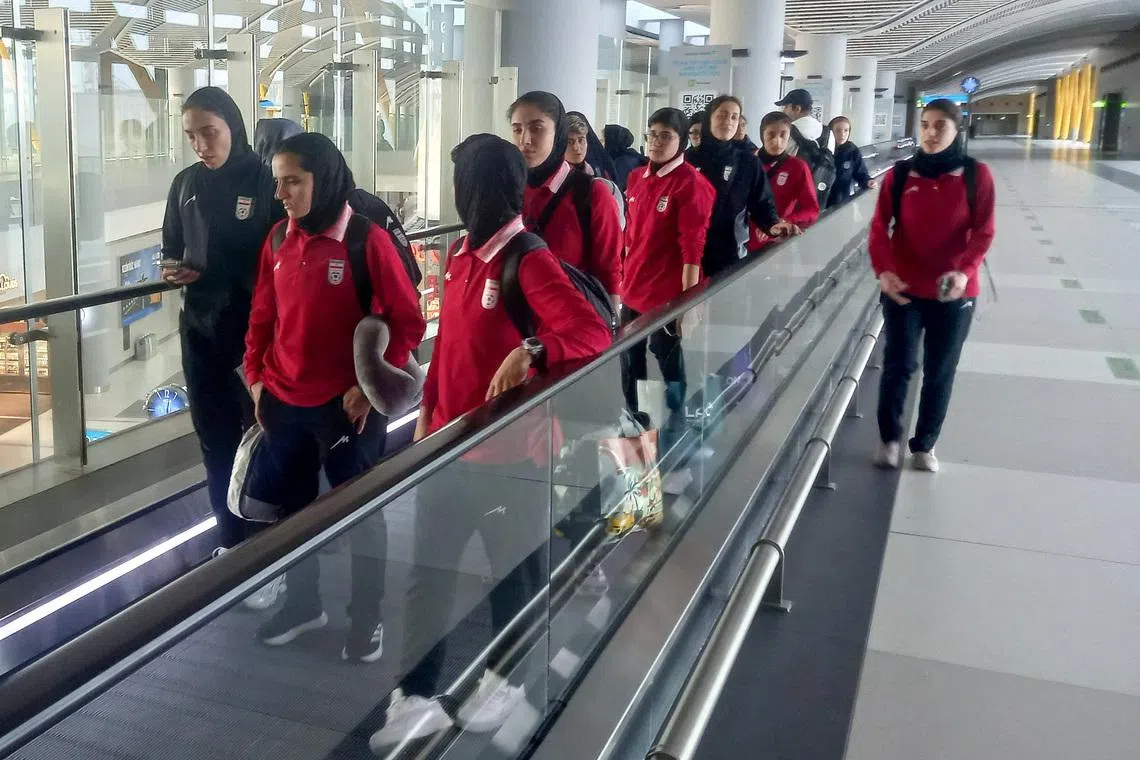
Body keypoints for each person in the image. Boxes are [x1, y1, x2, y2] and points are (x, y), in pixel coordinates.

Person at [370, 134, 611, 749]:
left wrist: (533, 349)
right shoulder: (461, 254)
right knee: (429, 575)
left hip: (512, 454)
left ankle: (508, 678)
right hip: (452, 446)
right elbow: (450, 348)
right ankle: (415, 694)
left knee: (514, 575)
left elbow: (591, 333)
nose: (458, 194)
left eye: (463, 182)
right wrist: (427, 419)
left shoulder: (526, 257)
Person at [243, 132, 426, 659]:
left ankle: (366, 620)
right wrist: (256, 381)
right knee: (293, 514)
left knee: (362, 516)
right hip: (284, 401)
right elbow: (262, 319)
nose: (281, 194)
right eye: (278, 183)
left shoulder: (366, 241)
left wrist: (368, 388)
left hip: (349, 410)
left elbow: (408, 323)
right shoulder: (277, 240)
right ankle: (304, 604)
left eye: (293, 182)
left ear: (321, 181)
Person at [161, 87, 283, 557]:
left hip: (256, 334)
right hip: (202, 333)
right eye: (191, 135)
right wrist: (174, 269)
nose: (200, 145)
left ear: (233, 126)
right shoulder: (185, 185)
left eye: (209, 132)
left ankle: (274, 545)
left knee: (266, 436)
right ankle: (231, 544)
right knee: (214, 443)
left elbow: (283, 257)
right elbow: (171, 247)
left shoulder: (265, 180)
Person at [869, 99, 995, 473]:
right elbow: (879, 228)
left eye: (941, 125)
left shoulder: (975, 175)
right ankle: (889, 439)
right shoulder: (901, 175)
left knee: (940, 369)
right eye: (925, 124)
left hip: (954, 291)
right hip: (903, 288)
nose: (931, 132)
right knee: (899, 364)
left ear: (957, 130)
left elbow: (984, 231)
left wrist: (964, 271)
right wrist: (884, 270)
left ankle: (924, 444)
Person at [621, 107, 715, 426]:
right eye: (652, 134)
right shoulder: (636, 177)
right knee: (629, 358)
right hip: (632, 288)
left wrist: (687, 304)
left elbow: (692, 250)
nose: (656, 142)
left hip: (667, 295)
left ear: (682, 140)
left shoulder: (692, 184)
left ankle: (679, 414)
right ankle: (635, 417)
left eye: (666, 136)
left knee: (668, 358)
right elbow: (630, 235)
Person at [510, 92, 623, 302]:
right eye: (517, 130)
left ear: (558, 133)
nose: (524, 140)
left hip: (570, 314)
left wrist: (613, 314)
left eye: (537, 128)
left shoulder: (592, 193)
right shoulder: (510, 189)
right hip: (515, 314)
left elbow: (609, 271)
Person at [685, 95, 798, 278]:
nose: (728, 122)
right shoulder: (687, 160)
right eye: (722, 115)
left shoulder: (747, 161)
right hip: (687, 254)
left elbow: (762, 204)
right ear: (709, 119)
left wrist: (773, 225)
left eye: (734, 117)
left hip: (729, 253)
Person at [749, 112, 819, 251]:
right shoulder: (747, 162)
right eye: (771, 134)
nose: (777, 141)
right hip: (741, 241)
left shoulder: (797, 167)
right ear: (762, 135)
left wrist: (786, 222)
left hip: (776, 242)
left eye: (783, 135)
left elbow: (812, 210)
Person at [827, 116, 877, 206]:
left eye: (846, 130)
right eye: (838, 130)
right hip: (821, 201)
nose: (842, 134)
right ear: (830, 131)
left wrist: (868, 181)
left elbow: (860, 173)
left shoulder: (852, 150)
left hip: (841, 201)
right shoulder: (822, 149)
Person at [566, 111, 617, 181]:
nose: (576, 148)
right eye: (569, 142)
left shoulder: (598, 169)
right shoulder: (554, 173)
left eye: (581, 140)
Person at [603, 123, 648, 191]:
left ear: (611, 141)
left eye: (602, 140)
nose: (599, 144)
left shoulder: (622, 163)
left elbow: (615, 189)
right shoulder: (630, 155)